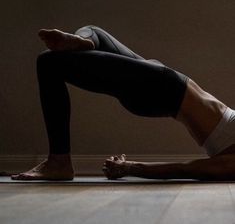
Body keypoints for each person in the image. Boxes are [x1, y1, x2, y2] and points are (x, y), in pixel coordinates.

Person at [11, 25, 235, 181]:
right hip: (164, 82)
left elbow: (191, 170)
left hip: (160, 90)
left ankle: (59, 162)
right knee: (94, 32)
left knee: (49, 63)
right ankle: (82, 42)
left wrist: (131, 167)